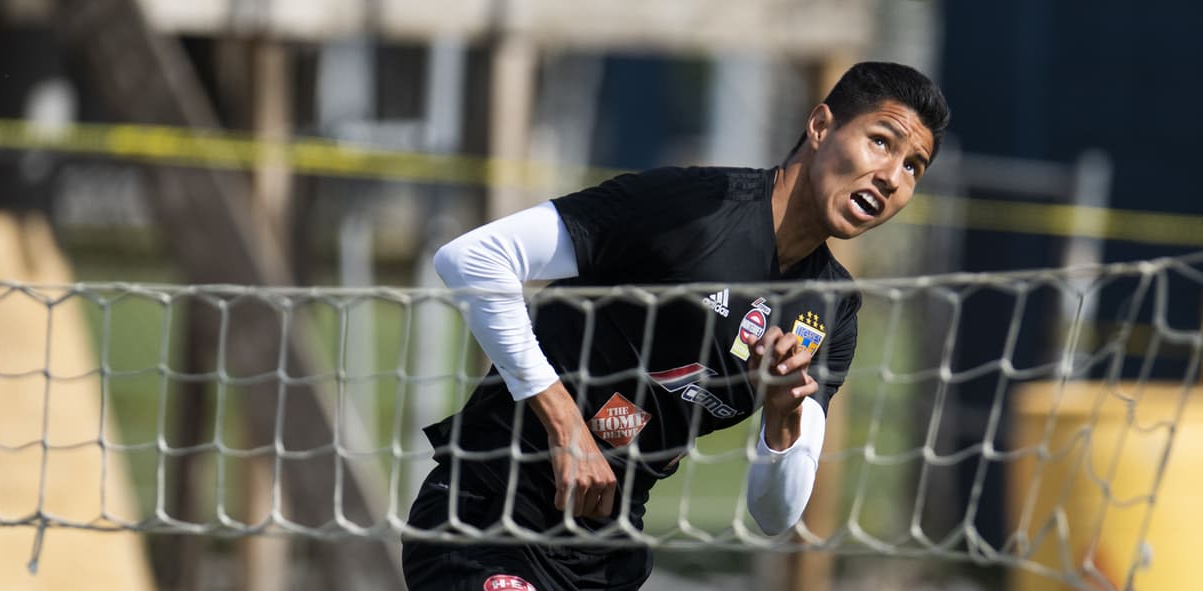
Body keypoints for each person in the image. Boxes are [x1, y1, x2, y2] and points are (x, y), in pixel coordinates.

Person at [402, 61, 950, 591]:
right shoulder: (692, 210)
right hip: (485, 518)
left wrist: (782, 418)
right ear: (820, 125)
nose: (890, 177)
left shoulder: (829, 310)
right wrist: (565, 423)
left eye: (912, 167)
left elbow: (774, 515)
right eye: (881, 141)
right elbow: (474, 259)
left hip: (602, 557)